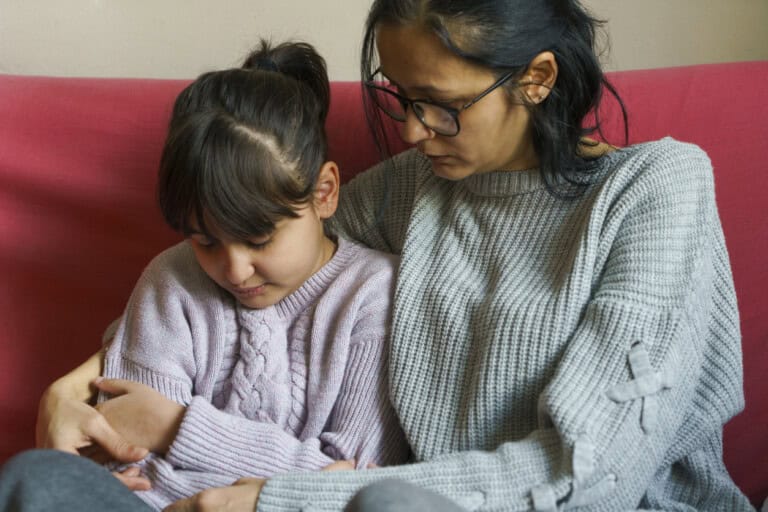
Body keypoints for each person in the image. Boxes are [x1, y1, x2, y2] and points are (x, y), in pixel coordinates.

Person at [0, 0, 752, 510]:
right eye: (399, 97)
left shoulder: (654, 190)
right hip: (355, 503)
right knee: (41, 484)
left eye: (441, 105)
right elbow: (258, 271)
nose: (415, 132)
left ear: (537, 77)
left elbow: (589, 478)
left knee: (393, 506)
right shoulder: (403, 192)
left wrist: (282, 498)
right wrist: (80, 385)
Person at [0, 40, 408, 511]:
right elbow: (126, 454)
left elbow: (355, 482)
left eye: (258, 240)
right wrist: (295, 466)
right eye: (205, 240)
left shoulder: (374, 295)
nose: (234, 270)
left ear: (324, 193)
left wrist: (177, 426)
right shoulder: (172, 278)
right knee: (36, 478)